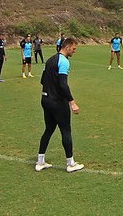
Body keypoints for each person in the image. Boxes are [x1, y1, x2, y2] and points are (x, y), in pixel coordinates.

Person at [36, 37, 83, 173]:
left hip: (45, 100)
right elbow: (63, 84)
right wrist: (72, 103)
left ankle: (40, 162)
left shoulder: (50, 60)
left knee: (49, 129)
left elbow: (42, 80)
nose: (74, 51)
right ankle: (71, 164)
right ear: (67, 47)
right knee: (66, 131)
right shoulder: (63, 62)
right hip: (57, 102)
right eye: (74, 48)